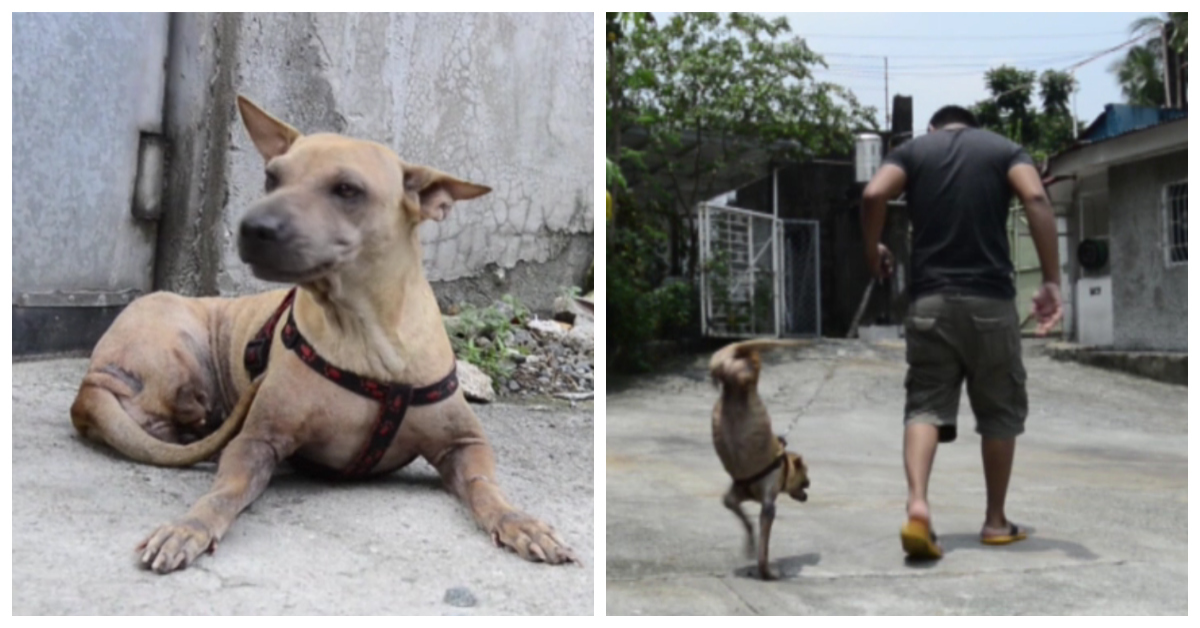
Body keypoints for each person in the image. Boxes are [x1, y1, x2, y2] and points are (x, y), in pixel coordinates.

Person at [860, 105, 1063, 560]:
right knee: (999, 411)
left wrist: (872, 251)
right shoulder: (1004, 149)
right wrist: (1051, 279)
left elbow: (874, 194)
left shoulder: (913, 151)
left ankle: (917, 506)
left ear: (934, 128)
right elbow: (1034, 198)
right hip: (991, 302)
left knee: (925, 406)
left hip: (929, 303)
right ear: (973, 127)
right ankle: (994, 521)